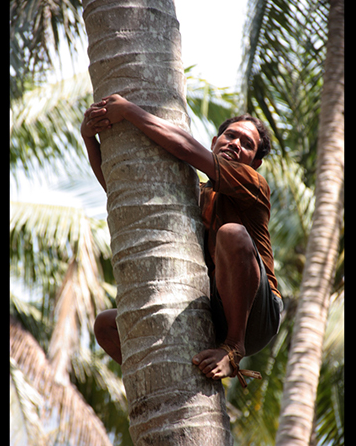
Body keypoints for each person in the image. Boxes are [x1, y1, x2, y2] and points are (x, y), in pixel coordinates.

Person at [81, 94, 283, 387]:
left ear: (256, 162)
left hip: (257, 314)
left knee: (232, 233)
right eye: (230, 136)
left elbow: (186, 148)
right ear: (215, 140)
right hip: (214, 306)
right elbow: (123, 192)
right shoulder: (197, 194)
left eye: (246, 144)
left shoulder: (252, 184)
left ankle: (233, 349)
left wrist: (128, 111)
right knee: (107, 326)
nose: (235, 144)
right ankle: (161, 384)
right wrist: (90, 138)